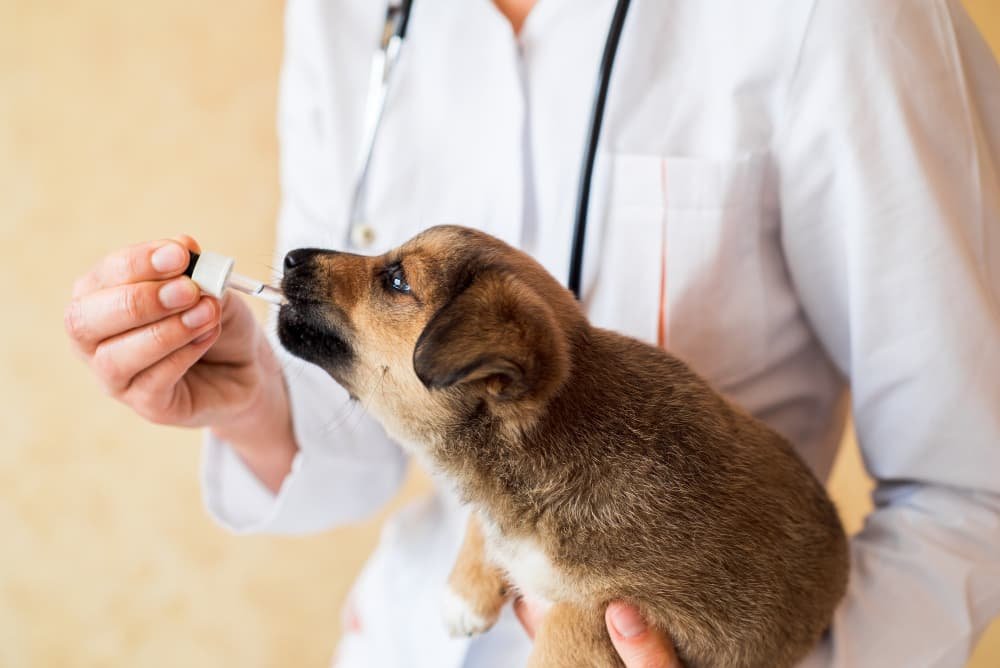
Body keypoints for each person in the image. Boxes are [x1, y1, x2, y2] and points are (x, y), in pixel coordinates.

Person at [64, 0, 1000, 666]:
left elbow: (972, 489)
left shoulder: (851, 16)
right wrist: (251, 397)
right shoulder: (345, 12)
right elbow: (370, 432)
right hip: (403, 640)